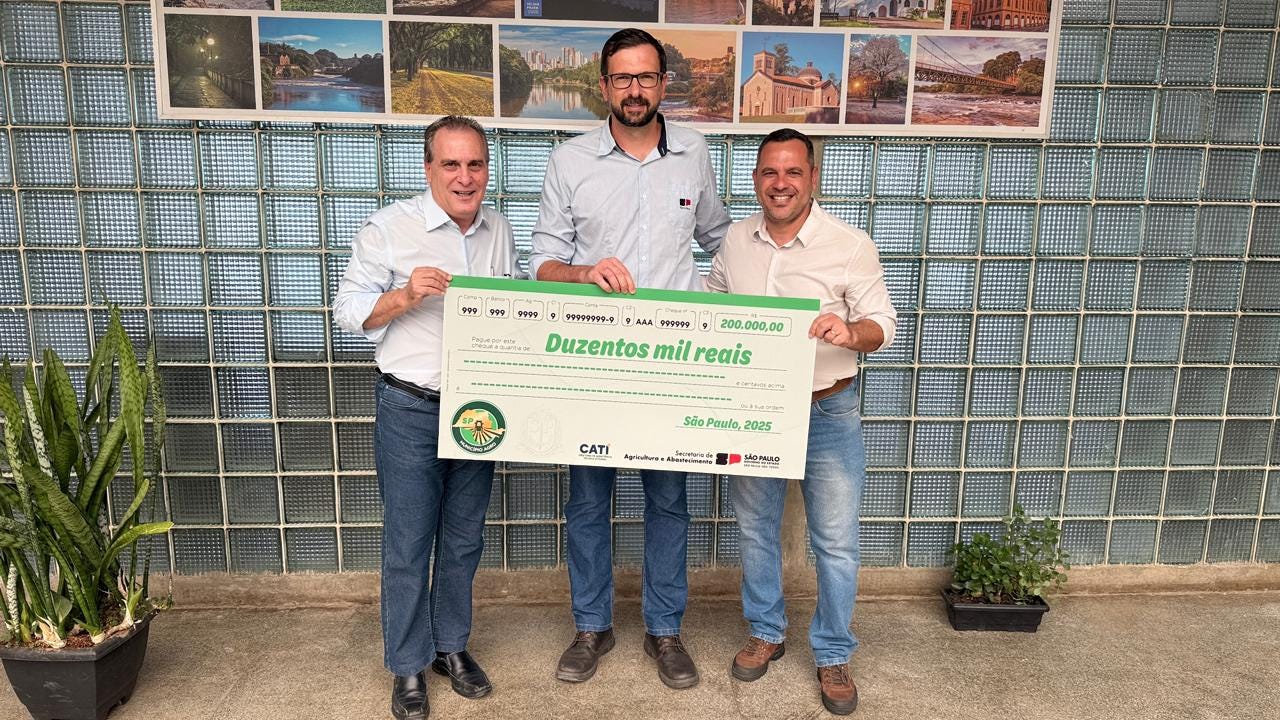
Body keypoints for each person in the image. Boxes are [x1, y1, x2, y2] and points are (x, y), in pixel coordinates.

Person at [529, 27, 731, 689]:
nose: (635, 89)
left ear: (664, 83)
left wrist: (768, 303)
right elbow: (542, 264)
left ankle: (664, 630)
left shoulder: (694, 153)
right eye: (623, 78)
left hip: (671, 362)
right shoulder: (569, 160)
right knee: (588, 501)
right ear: (604, 86)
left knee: (668, 502)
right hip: (593, 358)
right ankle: (592, 626)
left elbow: (721, 240)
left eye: (646, 77)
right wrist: (584, 272)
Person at [333, 116, 521, 720]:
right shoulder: (390, 228)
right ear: (428, 168)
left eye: (475, 164)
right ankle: (408, 665)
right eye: (451, 164)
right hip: (411, 406)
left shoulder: (498, 229)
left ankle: (450, 647)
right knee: (409, 543)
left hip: (478, 410)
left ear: (487, 169)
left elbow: (514, 304)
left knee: (464, 538)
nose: (465, 178)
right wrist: (405, 295)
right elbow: (346, 311)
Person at [706, 128, 896, 716]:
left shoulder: (849, 244)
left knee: (835, 541)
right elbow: (712, 305)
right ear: (755, 179)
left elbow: (883, 324)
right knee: (755, 528)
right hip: (755, 409)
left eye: (793, 172)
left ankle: (833, 652)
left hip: (827, 408)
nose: (780, 183)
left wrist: (850, 332)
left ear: (812, 178)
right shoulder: (736, 240)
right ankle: (766, 631)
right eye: (769, 172)